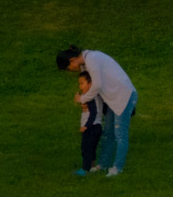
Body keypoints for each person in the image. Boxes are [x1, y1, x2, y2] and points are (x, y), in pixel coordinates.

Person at [57, 46, 138, 176]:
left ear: (72, 60)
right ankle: (103, 164)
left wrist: (83, 99)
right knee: (108, 134)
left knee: (120, 134)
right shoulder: (86, 65)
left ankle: (117, 167)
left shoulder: (92, 59)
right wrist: (87, 102)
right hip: (112, 99)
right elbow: (94, 89)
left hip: (124, 96)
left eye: (68, 68)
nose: (70, 71)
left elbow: (97, 85)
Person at [74, 72, 103, 177]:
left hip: (92, 127)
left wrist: (86, 126)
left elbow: (93, 113)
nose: (80, 86)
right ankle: (91, 166)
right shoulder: (96, 96)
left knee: (86, 148)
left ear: (90, 83)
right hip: (97, 127)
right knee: (92, 148)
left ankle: (85, 169)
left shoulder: (90, 97)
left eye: (82, 83)